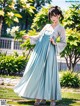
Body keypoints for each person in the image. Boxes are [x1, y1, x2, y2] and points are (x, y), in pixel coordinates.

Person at [14, 6, 67, 106]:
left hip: (50, 53)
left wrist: (55, 43)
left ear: (59, 15)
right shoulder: (47, 26)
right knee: (38, 73)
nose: (53, 18)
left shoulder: (61, 28)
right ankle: (39, 97)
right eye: (51, 16)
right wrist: (29, 37)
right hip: (40, 52)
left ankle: (52, 98)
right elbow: (38, 37)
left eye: (55, 16)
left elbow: (64, 43)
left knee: (49, 74)